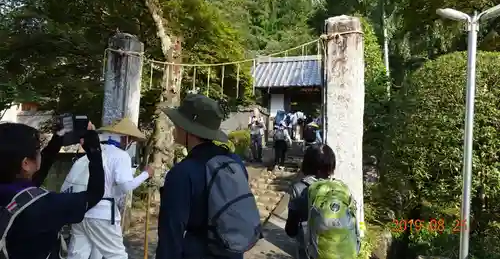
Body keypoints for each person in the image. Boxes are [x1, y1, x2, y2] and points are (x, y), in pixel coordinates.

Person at [156, 94, 262, 259]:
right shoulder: (233, 161)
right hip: (231, 251)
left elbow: (171, 235)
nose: (175, 126)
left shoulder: (182, 173)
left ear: (188, 129)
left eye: (178, 123)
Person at [0, 121, 104, 259]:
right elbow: (94, 194)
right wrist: (94, 150)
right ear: (25, 163)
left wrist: (58, 137)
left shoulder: (14, 195)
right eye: (37, 150)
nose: (40, 154)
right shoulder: (45, 205)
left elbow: (32, 181)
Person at [64, 117, 154, 259]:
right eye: (131, 140)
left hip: (81, 211)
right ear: (126, 139)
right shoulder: (120, 156)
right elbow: (126, 186)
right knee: (116, 255)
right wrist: (146, 174)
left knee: (78, 255)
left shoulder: (92, 153)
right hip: (102, 214)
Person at [285, 144, 360, 259]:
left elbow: (291, 230)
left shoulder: (298, 189)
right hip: (342, 252)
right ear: (331, 165)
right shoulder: (340, 189)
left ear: (307, 164)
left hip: (309, 253)